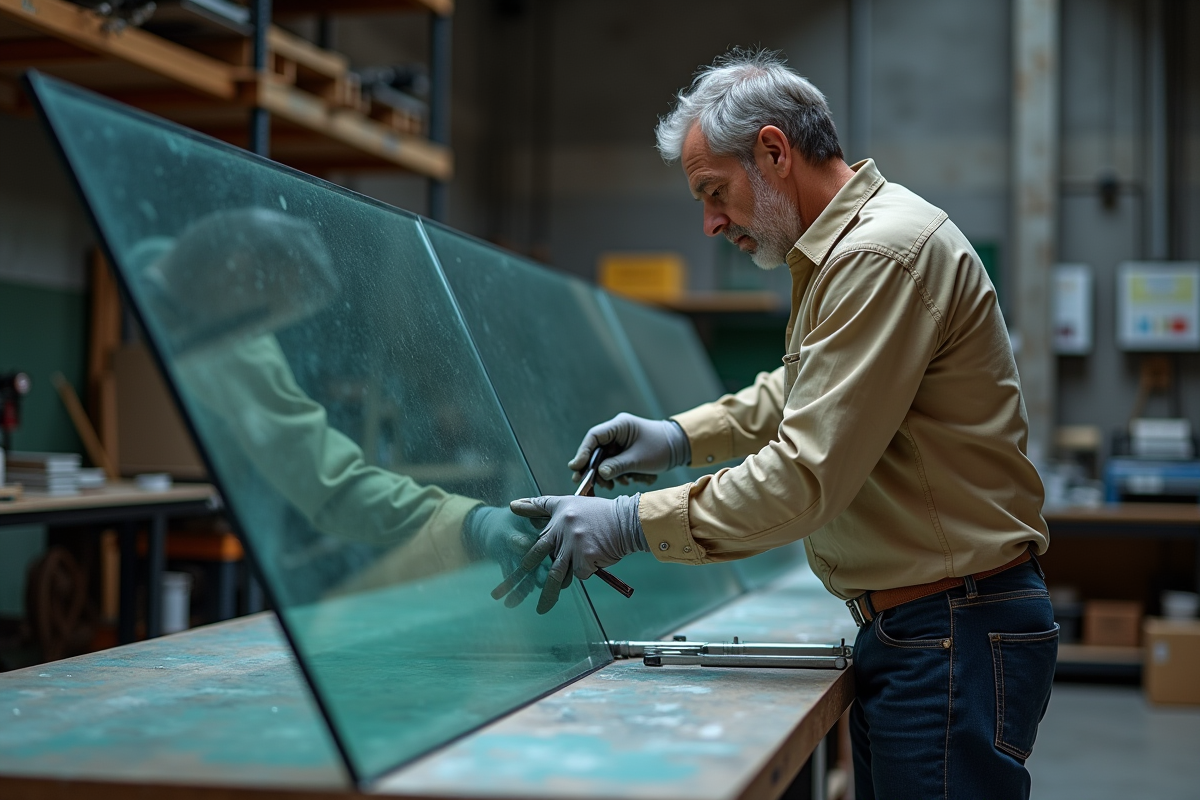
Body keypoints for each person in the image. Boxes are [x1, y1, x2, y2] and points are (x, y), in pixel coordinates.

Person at [499, 49, 1056, 799]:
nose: (709, 223)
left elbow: (804, 476)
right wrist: (677, 437)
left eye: (714, 192)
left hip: (948, 630)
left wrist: (630, 523)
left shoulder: (878, 255)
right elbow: (796, 392)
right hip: (926, 627)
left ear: (773, 151)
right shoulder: (842, 252)